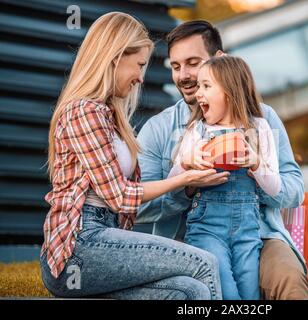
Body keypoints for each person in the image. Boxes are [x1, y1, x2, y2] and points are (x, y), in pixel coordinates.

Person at [40, 12, 222, 300]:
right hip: (79, 248)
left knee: (190, 291)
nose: (140, 77)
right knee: (204, 262)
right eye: (138, 65)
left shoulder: (110, 116)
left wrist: (182, 169)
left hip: (106, 235)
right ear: (115, 57)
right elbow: (118, 197)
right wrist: (183, 179)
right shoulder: (83, 112)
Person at [137, 20, 308, 299]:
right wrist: (188, 186)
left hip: (259, 235)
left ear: (220, 62)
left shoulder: (263, 120)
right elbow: (137, 208)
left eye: (193, 63)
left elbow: (295, 190)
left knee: (288, 280)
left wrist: (257, 172)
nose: (184, 76)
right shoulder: (159, 129)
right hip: (186, 239)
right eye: (176, 66)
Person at [167, 55, 280, 299]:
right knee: (226, 292)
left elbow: (274, 188)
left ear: (229, 91)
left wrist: (256, 163)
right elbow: (172, 184)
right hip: (207, 228)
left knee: (250, 294)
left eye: (206, 86)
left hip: (248, 232)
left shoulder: (258, 128)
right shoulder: (198, 131)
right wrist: (187, 163)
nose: (198, 94)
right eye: (199, 86)